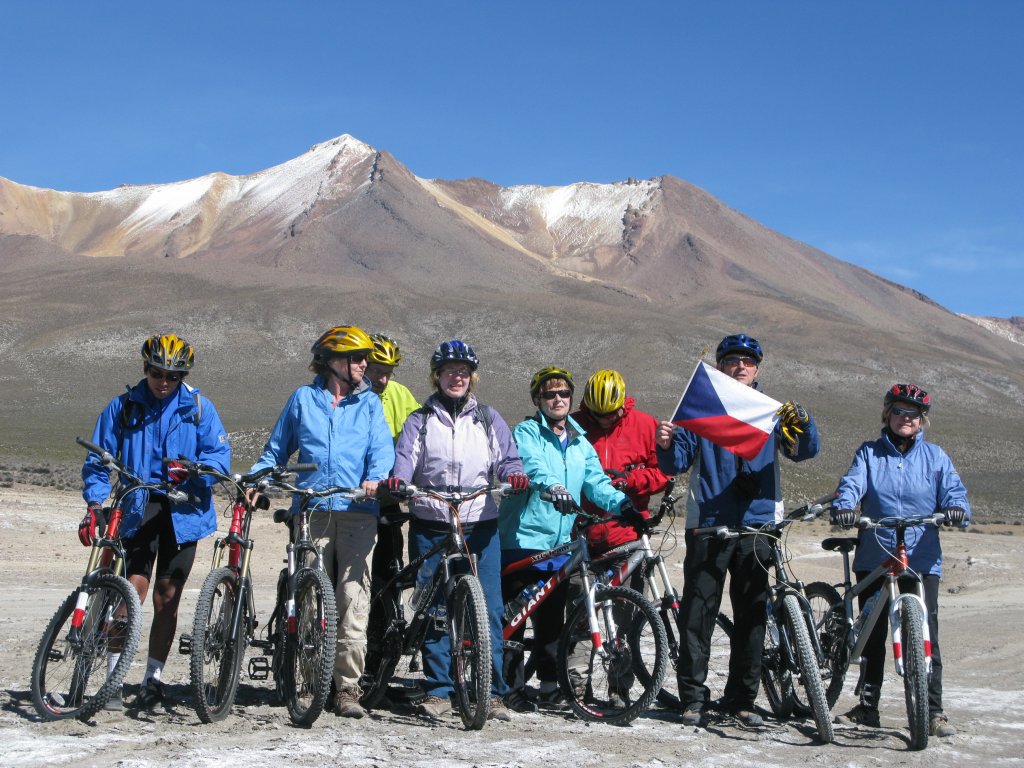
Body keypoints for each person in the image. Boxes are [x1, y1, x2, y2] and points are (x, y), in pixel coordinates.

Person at [655, 333, 820, 727]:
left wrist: (806, 425)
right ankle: (693, 699)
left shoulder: (771, 413)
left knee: (752, 616)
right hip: (709, 524)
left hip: (758, 525)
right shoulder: (702, 409)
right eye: (732, 360)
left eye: (748, 361)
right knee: (698, 615)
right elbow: (674, 463)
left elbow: (804, 451)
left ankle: (742, 699)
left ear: (757, 369)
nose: (740, 366)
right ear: (721, 366)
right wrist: (665, 443)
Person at [81, 333, 231, 712]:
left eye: (173, 376)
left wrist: (197, 472)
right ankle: (114, 678)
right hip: (139, 506)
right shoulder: (124, 406)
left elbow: (219, 458)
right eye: (157, 372)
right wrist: (95, 502)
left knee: (168, 598)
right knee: (131, 592)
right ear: (145, 368)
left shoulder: (199, 408)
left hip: (186, 512)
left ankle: (153, 679)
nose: (164, 382)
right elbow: (99, 460)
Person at [250, 325, 394, 719]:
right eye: (357, 357)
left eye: (365, 357)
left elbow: (381, 450)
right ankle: (310, 683)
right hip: (312, 510)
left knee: (352, 598)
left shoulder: (369, 405)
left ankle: (347, 688)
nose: (364, 363)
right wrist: (257, 477)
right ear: (332, 361)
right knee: (312, 598)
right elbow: (277, 448)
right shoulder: (303, 399)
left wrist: (375, 479)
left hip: (358, 513)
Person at [383, 339, 530, 723]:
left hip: (479, 523)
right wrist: (399, 481)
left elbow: (507, 457)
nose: (457, 377)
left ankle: (493, 691)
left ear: (472, 377)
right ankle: (439, 689)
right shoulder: (420, 419)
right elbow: (404, 460)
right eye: (450, 371)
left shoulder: (488, 417)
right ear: (437, 376)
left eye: (463, 372)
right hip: (431, 521)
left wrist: (513, 474)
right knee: (433, 607)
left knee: (491, 608)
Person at [499, 366, 641, 713]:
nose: (558, 399)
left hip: (561, 541)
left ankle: (549, 687)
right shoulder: (527, 431)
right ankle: (510, 687)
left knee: (551, 621)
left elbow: (596, 481)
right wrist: (555, 489)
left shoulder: (579, 439)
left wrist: (623, 505)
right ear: (537, 400)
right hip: (524, 537)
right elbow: (532, 467)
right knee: (515, 618)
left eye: (564, 394)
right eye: (550, 394)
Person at [830, 383, 969, 738]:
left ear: (922, 422)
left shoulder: (936, 457)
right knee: (873, 632)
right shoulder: (870, 453)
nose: (905, 419)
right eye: (899, 412)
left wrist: (956, 509)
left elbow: (954, 490)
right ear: (887, 415)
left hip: (921, 556)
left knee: (928, 632)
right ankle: (867, 706)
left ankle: (933, 712)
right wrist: (845, 506)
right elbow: (852, 484)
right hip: (877, 551)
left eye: (913, 414)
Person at [364, 334, 421, 676]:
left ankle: (375, 663)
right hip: (349, 502)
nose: (382, 378)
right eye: (375, 369)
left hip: (386, 504)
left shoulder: (400, 396)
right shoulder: (347, 397)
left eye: (388, 371)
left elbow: (420, 440)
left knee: (387, 577)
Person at [571, 369, 670, 556]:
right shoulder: (573, 425)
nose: (604, 420)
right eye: (597, 415)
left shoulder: (646, 425)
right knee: (579, 586)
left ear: (623, 403)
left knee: (631, 586)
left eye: (610, 414)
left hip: (629, 533)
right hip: (581, 534)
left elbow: (664, 473)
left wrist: (631, 480)